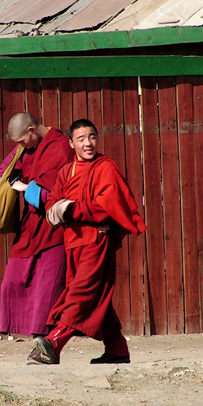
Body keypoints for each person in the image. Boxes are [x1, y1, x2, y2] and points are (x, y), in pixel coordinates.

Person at [28, 118, 146, 365]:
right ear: (71, 143)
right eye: (81, 139)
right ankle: (117, 349)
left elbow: (106, 207)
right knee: (93, 295)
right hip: (72, 244)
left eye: (92, 137)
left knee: (81, 293)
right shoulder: (65, 172)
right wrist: (61, 209)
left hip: (96, 241)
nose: (88, 143)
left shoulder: (106, 168)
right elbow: (52, 207)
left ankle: (53, 343)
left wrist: (69, 209)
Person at [0, 113, 74, 337]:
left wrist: (29, 190)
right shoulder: (25, 149)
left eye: (21, 141)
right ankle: (24, 328)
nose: (20, 146)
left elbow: (60, 191)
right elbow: (6, 168)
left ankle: (44, 335)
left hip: (53, 228)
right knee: (12, 281)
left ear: (32, 130)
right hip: (30, 226)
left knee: (47, 285)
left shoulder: (61, 147)